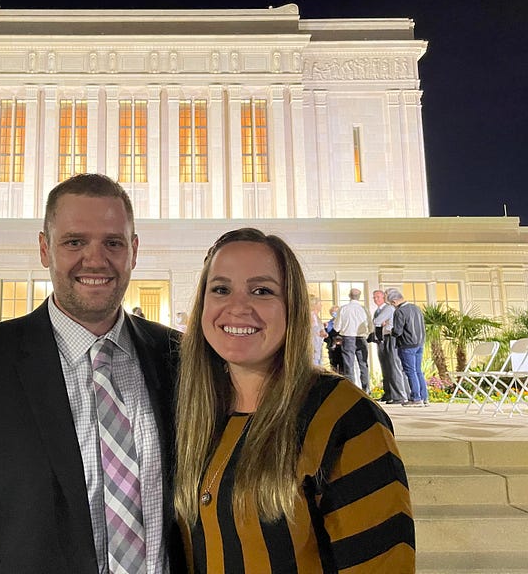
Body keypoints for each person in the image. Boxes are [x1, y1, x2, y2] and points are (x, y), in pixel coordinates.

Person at [0, 173, 185, 573]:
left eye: (112, 243)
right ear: (45, 248)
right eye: (74, 242)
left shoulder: (179, 359)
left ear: (133, 250)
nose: (95, 259)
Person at [175, 228, 414, 572]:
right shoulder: (197, 412)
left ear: (293, 307)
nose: (238, 307)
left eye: (262, 291)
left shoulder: (344, 418)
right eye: (221, 289)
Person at [387, 288, 429, 407]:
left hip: (407, 344)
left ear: (394, 301)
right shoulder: (416, 308)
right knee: (418, 371)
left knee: (410, 371)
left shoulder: (400, 311)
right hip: (419, 343)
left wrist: (391, 331)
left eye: (391, 304)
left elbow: (398, 331)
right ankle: (424, 397)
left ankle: (416, 398)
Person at [370, 289, 410, 404]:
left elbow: (377, 321)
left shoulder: (389, 308)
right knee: (392, 367)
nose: (376, 299)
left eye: (382, 296)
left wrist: (382, 322)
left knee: (394, 367)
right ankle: (395, 394)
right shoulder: (390, 309)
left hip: (390, 337)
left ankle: (399, 396)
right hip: (388, 338)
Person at [333, 288, 374, 392]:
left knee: (349, 364)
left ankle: (351, 390)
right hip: (361, 337)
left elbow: (337, 327)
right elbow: (370, 325)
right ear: (359, 296)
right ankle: (366, 390)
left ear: (349, 296)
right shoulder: (364, 309)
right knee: (363, 364)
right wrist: (368, 333)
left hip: (348, 337)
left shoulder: (343, 309)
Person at [309, 294, 327, 366]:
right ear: (314, 305)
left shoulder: (316, 316)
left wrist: (323, 329)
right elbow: (312, 330)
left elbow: (318, 328)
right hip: (312, 347)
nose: (321, 306)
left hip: (317, 346)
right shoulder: (310, 316)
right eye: (320, 303)